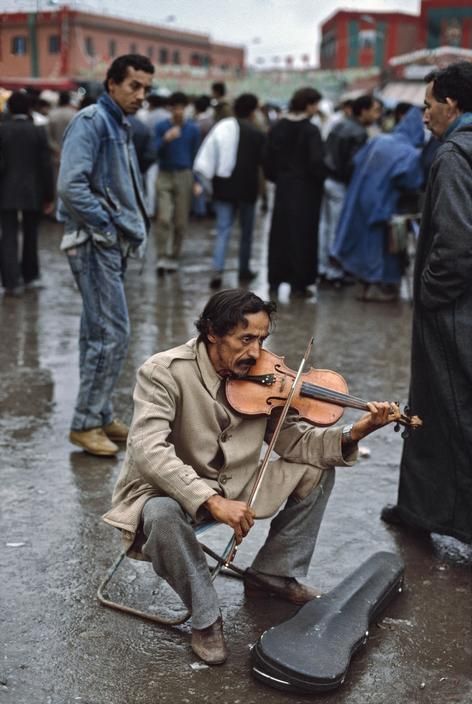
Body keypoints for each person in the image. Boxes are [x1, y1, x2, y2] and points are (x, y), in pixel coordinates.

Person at [103, 288, 394, 665]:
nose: (256, 353)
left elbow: (296, 443)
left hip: (236, 485)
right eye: (245, 339)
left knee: (317, 465)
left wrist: (355, 433)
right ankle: (205, 619)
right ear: (212, 333)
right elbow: (148, 449)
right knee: (160, 513)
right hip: (169, 490)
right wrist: (210, 501)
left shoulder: (262, 378)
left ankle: (274, 573)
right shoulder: (164, 371)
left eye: (261, 339)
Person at [381, 62, 472, 545]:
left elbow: (455, 244)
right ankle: (419, 509)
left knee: (453, 412)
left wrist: (432, 293)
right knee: (432, 408)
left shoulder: (454, 155)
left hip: (454, 309)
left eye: (429, 105)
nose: (425, 115)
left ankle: (454, 517)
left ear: (451, 104)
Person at [57, 54, 154, 457]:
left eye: (146, 88)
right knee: (111, 335)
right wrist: (106, 228)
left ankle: (98, 413)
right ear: (111, 83)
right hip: (96, 244)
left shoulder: (118, 124)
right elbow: (71, 185)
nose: (141, 95)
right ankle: (84, 423)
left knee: (99, 333)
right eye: (134, 86)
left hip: (109, 244)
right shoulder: (92, 121)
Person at [331, 106, 425, 302]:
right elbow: (411, 181)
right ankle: (381, 285)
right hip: (383, 203)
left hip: (358, 196)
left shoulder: (379, 139)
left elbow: (356, 160)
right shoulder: (409, 152)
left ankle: (364, 285)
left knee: (361, 241)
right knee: (382, 246)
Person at [193, 93, 266, 289]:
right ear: (252, 112)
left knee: (223, 230)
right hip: (248, 190)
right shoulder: (257, 134)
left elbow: (207, 159)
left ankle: (217, 269)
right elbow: (263, 164)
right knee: (246, 232)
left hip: (224, 188)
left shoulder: (223, 128)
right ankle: (244, 269)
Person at [264, 87, 325, 299]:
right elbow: (317, 162)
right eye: (315, 104)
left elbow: (268, 161)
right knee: (303, 235)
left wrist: (279, 179)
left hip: (283, 188)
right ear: (308, 105)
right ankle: (300, 281)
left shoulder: (278, 127)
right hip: (306, 191)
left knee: (280, 234)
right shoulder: (311, 131)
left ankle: (276, 278)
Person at [318, 95, 381, 288]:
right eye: (374, 110)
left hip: (328, 179)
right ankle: (333, 272)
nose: (377, 115)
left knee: (326, 227)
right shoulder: (358, 132)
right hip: (340, 184)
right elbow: (354, 164)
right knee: (337, 229)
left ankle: (323, 269)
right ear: (363, 111)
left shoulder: (340, 125)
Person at [0, 91, 54, 296]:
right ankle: (30, 276)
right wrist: (49, 196)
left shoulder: (2, 130)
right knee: (31, 235)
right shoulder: (38, 132)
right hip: (34, 191)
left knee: (8, 236)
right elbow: (45, 166)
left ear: (10, 108)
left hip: (5, 191)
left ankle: (11, 281)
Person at [154, 91, 200, 274]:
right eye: (175, 107)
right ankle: (162, 255)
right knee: (164, 217)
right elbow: (152, 150)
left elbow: (196, 155)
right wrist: (165, 139)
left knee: (181, 221)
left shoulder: (193, 129)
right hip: (164, 173)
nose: (178, 111)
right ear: (170, 108)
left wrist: (196, 180)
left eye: (182, 107)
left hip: (184, 174)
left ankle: (174, 255)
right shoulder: (161, 127)